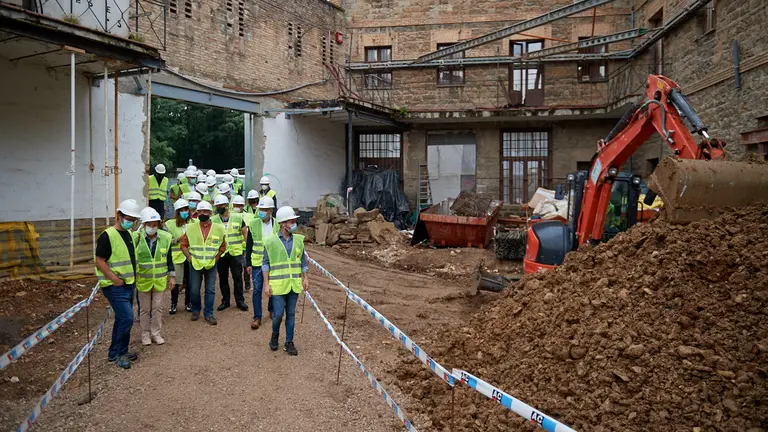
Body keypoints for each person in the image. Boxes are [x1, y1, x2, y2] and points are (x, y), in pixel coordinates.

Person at [94, 199, 141, 369]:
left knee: (122, 318)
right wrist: (114, 279)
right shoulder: (108, 235)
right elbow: (100, 260)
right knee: (127, 318)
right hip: (115, 286)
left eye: (133, 220)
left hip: (127, 284)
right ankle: (121, 353)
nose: (131, 222)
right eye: (128, 218)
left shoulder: (128, 234)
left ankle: (114, 352)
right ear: (119, 216)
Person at [262, 206, 308, 355]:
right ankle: (274, 335)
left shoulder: (299, 241)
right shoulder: (271, 242)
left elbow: (303, 262)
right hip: (278, 285)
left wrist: (305, 278)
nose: (294, 223)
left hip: (294, 284)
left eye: (294, 221)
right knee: (278, 315)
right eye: (291, 221)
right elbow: (265, 263)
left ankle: (289, 342)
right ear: (282, 224)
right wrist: (266, 284)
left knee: (291, 314)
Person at [180, 201, 226, 325]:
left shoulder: (219, 228)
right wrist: (190, 258)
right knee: (194, 290)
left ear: (210, 213)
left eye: (205, 211)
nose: (202, 214)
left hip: (211, 264)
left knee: (210, 290)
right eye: (200, 211)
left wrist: (216, 258)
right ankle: (196, 310)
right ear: (197, 212)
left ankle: (209, 314)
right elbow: (183, 245)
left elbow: (222, 246)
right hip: (195, 264)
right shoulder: (191, 228)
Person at [135, 208, 174, 346]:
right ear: (144, 224)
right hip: (143, 280)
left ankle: (156, 333)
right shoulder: (136, 238)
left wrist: (172, 276)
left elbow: (169, 259)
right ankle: (145, 334)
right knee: (145, 309)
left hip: (159, 280)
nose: (152, 227)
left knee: (157, 308)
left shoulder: (165, 238)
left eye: (155, 225)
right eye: (149, 224)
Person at [245, 196, 279, 330]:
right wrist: (247, 263)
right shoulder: (253, 223)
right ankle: (257, 317)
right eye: (261, 209)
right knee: (257, 289)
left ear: (270, 210)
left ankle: (271, 309)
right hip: (257, 263)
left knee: (273, 288)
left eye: (265, 209)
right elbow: (249, 245)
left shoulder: (277, 224)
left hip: (273, 262)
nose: (262, 212)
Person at [212, 194, 248, 311]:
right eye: (217, 206)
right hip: (221, 253)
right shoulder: (214, 220)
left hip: (236, 252)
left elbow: (245, 233)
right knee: (223, 278)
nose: (219, 208)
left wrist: (245, 248)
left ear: (227, 206)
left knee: (237, 277)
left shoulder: (237, 218)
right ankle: (225, 301)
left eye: (220, 205)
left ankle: (240, 301)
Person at [165, 199, 193, 315]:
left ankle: (188, 303)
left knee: (190, 282)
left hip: (190, 256)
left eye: (186, 209)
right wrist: (179, 239)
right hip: (176, 257)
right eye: (181, 210)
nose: (184, 212)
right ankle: (173, 304)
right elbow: (166, 241)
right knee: (176, 283)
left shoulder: (194, 222)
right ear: (177, 212)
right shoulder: (169, 224)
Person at [233, 196, 251, 292]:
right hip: (235, 246)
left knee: (246, 264)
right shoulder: (231, 217)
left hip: (245, 245)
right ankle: (239, 284)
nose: (237, 207)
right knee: (238, 267)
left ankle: (247, 282)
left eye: (239, 205)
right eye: (235, 205)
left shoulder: (248, 216)